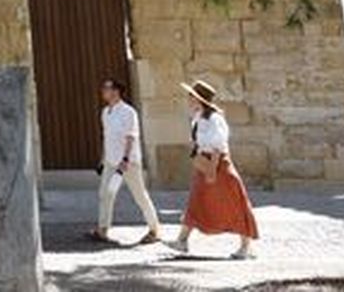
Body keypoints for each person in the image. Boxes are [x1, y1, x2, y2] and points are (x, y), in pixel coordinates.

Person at [167, 79, 259, 259]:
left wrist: (212, 169)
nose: (189, 99)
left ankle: (246, 246)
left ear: (200, 99)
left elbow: (218, 144)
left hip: (219, 165)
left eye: (192, 96)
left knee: (235, 202)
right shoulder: (198, 118)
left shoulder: (214, 119)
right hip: (204, 163)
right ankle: (182, 240)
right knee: (196, 199)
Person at [88, 78, 162, 245]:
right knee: (105, 193)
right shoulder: (106, 112)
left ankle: (154, 229)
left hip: (128, 162)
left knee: (139, 195)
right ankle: (103, 229)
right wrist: (102, 159)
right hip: (110, 161)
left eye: (106, 88)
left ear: (116, 91)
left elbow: (130, 136)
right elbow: (107, 137)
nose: (103, 91)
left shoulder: (129, 112)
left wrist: (126, 158)